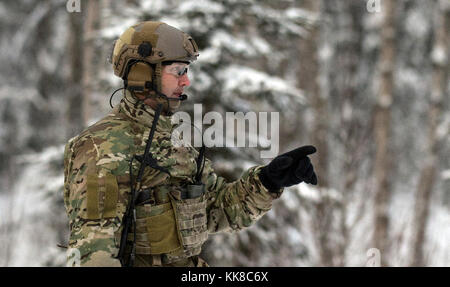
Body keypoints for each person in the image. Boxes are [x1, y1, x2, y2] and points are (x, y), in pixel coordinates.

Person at [63, 21, 318, 267]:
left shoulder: (174, 140)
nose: (186, 82)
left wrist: (268, 181)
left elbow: (217, 209)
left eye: (186, 71)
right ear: (141, 73)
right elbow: (93, 253)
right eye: (178, 71)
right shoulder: (101, 147)